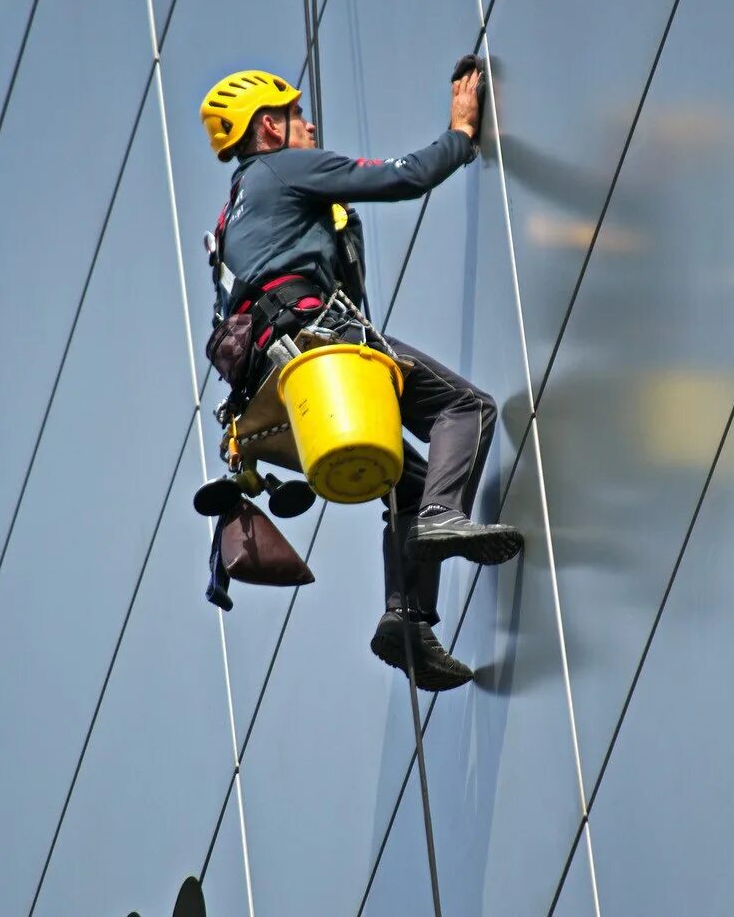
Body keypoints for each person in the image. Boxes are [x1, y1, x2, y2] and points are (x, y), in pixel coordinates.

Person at [198, 66, 522, 691]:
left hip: (276, 387)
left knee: (411, 479)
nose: (310, 123)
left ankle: (407, 622)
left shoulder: (232, 213)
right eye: (296, 115)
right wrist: (460, 134)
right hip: (320, 345)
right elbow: (402, 177)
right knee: (467, 409)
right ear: (269, 127)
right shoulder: (282, 169)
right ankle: (443, 518)